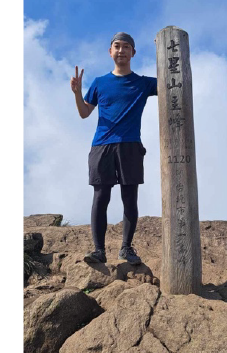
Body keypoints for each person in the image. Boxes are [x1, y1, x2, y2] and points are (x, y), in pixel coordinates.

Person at [71, 32, 157, 265]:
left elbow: (171, 83)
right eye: (117, 46)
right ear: (110, 52)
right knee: (101, 197)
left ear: (133, 53)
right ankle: (99, 250)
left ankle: (126, 249)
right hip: (102, 145)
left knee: (130, 198)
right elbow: (84, 112)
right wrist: (77, 93)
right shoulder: (100, 82)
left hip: (130, 145)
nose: (121, 50)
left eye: (126, 47)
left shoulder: (144, 83)